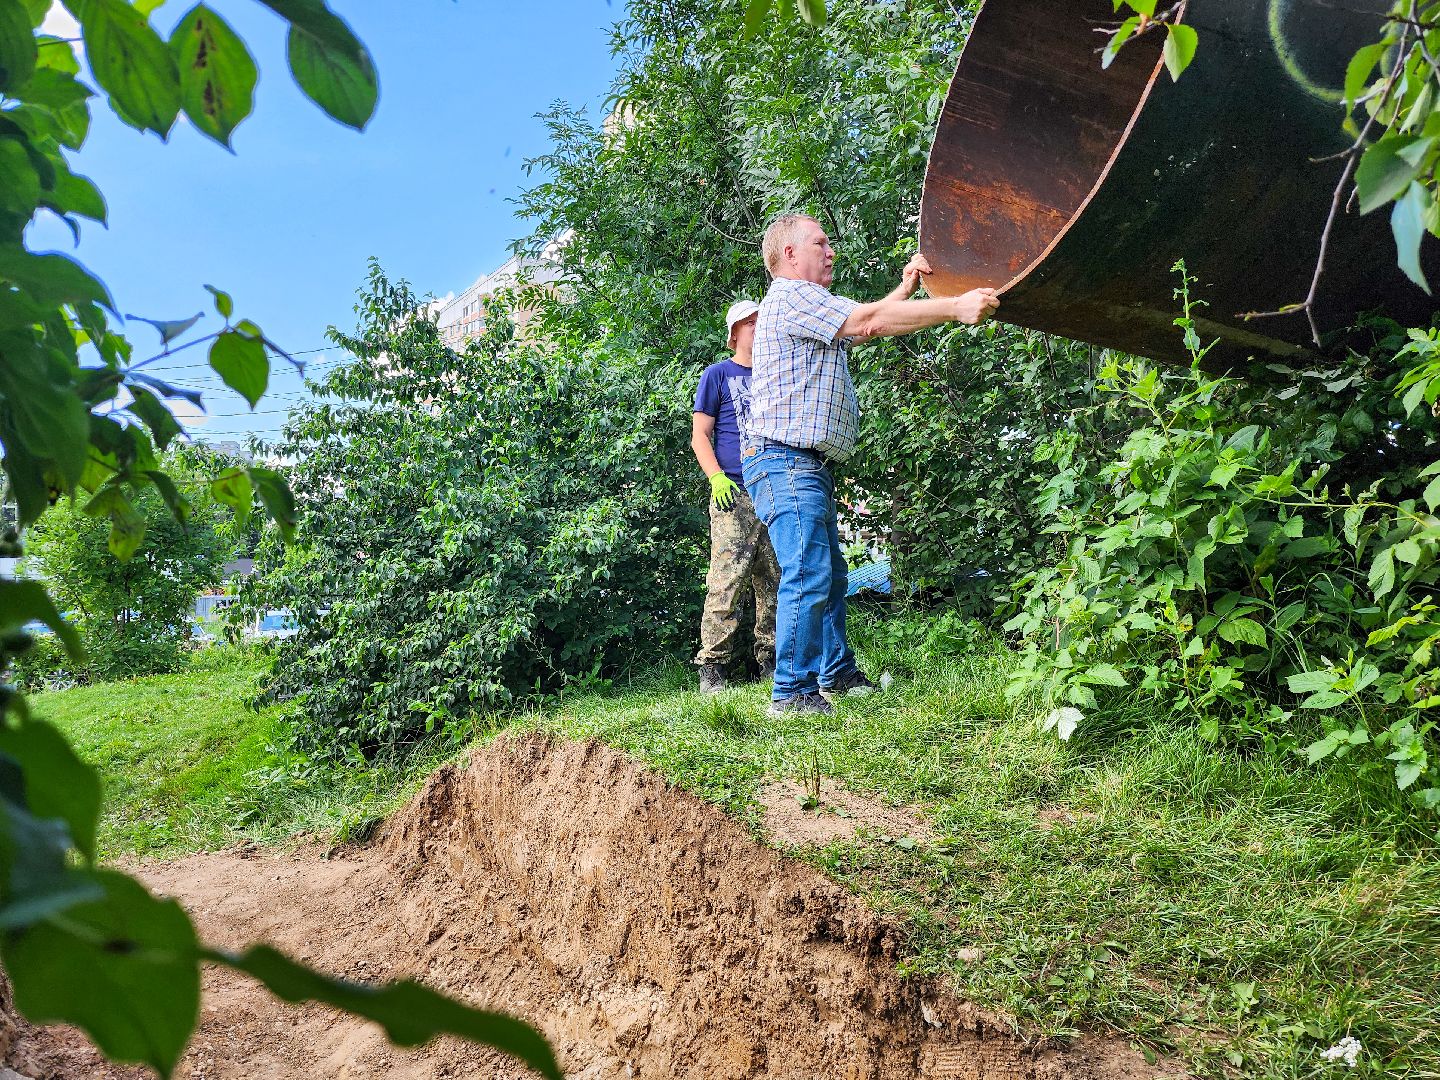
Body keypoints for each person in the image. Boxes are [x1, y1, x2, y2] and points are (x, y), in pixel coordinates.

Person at [743, 213, 1000, 716]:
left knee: (831, 575)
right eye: (821, 242)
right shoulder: (793, 296)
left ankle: (834, 674)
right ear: (790, 254)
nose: (831, 250)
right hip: (785, 461)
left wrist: (905, 288)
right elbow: (867, 322)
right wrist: (956, 308)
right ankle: (791, 694)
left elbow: (866, 325)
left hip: (802, 465)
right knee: (809, 574)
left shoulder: (806, 308)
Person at [690, 299, 781, 693]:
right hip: (734, 495)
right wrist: (716, 478)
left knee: (776, 582)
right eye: (753, 323)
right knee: (726, 582)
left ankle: (773, 665)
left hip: (774, 489)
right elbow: (699, 436)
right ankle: (712, 671)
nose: (760, 328)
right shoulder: (717, 375)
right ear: (737, 331)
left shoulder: (777, 373)